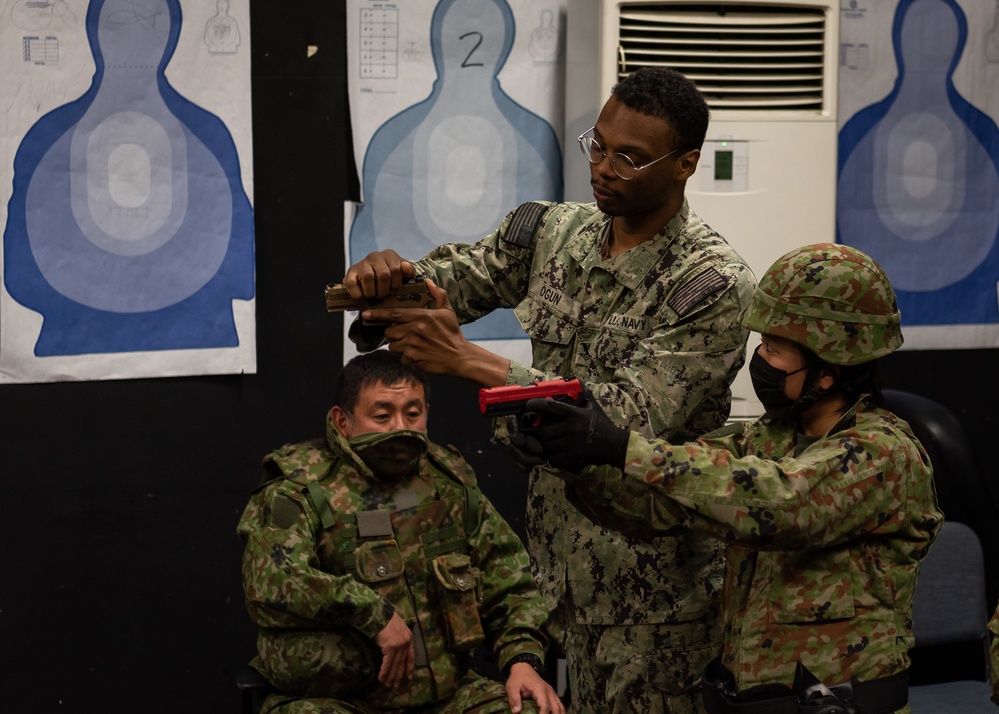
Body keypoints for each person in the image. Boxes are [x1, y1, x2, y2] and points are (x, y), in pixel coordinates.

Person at [342, 66, 756, 711]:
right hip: (554, 568)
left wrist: (471, 362)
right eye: (599, 143)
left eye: (631, 157)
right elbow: (453, 280)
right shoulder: (552, 235)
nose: (605, 167)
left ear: (686, 165)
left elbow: (620, 420)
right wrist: (385, 283)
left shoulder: (709, 285)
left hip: (650, 591)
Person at [515, 244, 943, 714]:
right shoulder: (769, 439)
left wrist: (621, 446)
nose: (760, 359)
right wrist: (576, 460)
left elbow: (778, 504)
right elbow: (659, 504)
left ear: (828, 372)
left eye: (776, 348)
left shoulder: (885, 454)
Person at [237, 350, 563, 714]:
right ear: (343, 422)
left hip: (449, 697)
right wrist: (373, 613)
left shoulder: (447, 483)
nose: (400, 427)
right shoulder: (300, 490)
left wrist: (522, 662)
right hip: (340, 701)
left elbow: (510, 583)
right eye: (382, 415)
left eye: (412, 413)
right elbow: (273, 581)